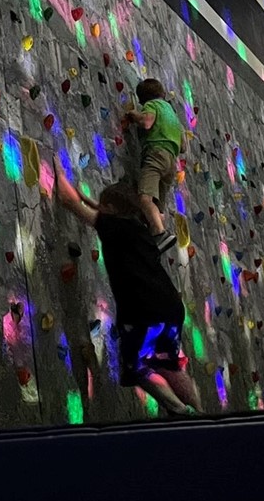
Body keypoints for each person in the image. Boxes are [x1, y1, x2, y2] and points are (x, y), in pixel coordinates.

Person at [54, 166, 202, 416]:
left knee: (138, 366)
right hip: (170, 307)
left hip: (144, 310)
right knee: (170, 365)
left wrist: (58, 170)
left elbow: (69, 202)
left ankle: (179, 410)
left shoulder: (112, 227)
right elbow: (107, 211)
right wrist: (93, 201)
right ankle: (203, 416)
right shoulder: (138, 228)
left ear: (111, 209)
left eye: (103, 205)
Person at [121, 78, 182, 254]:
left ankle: (160, 233)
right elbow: (183, 145)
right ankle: (153, 241)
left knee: (145, 198)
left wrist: (133, 114)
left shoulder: (152, 105)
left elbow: (147, 122)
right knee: (157, 206)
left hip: (156, 154)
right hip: (171, 161)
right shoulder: (172, 115)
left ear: (144, 98)